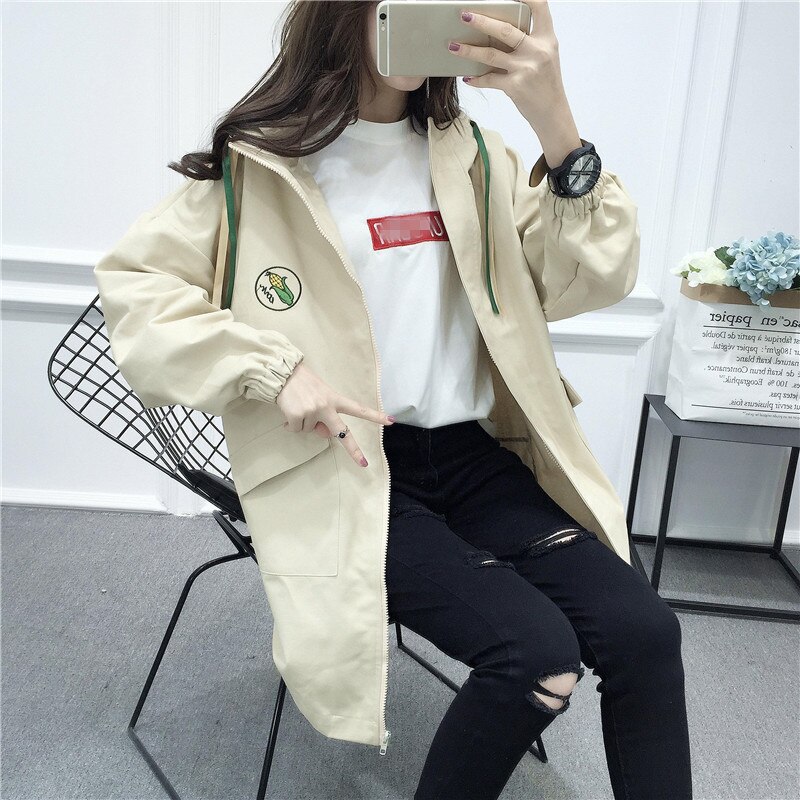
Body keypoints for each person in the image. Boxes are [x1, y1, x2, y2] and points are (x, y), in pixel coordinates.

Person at [94, 2, 692, 798]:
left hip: (473, 457)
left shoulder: (475, 157)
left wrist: (554, 118)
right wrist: (271, 367)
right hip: (345, 465)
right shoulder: (259, 168)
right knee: (534, 657)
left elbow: (585, 279)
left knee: (646, 632)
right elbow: (136, 290)